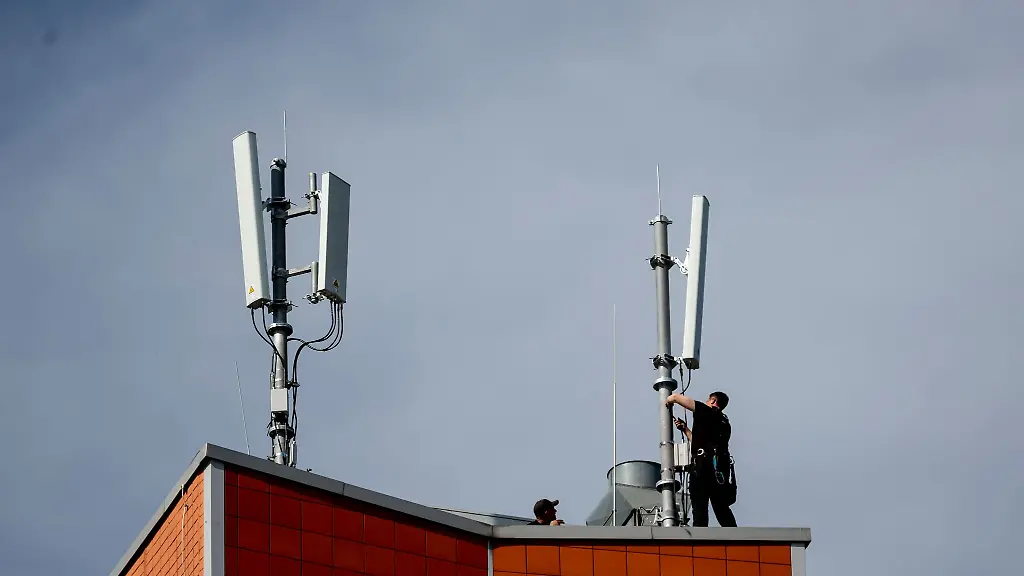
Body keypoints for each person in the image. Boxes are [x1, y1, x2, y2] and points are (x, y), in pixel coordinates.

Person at [665, 391, 737, 528]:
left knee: (700, 509)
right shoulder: (725, 423)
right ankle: (737, 539)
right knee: (722, 509)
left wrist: (668, 401)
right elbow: (702, 444)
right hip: (720, 473)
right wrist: (686, 430)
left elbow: (675, 397)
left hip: (702, 470)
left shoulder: (705, 410)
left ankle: (700, 541)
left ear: (713, 401)